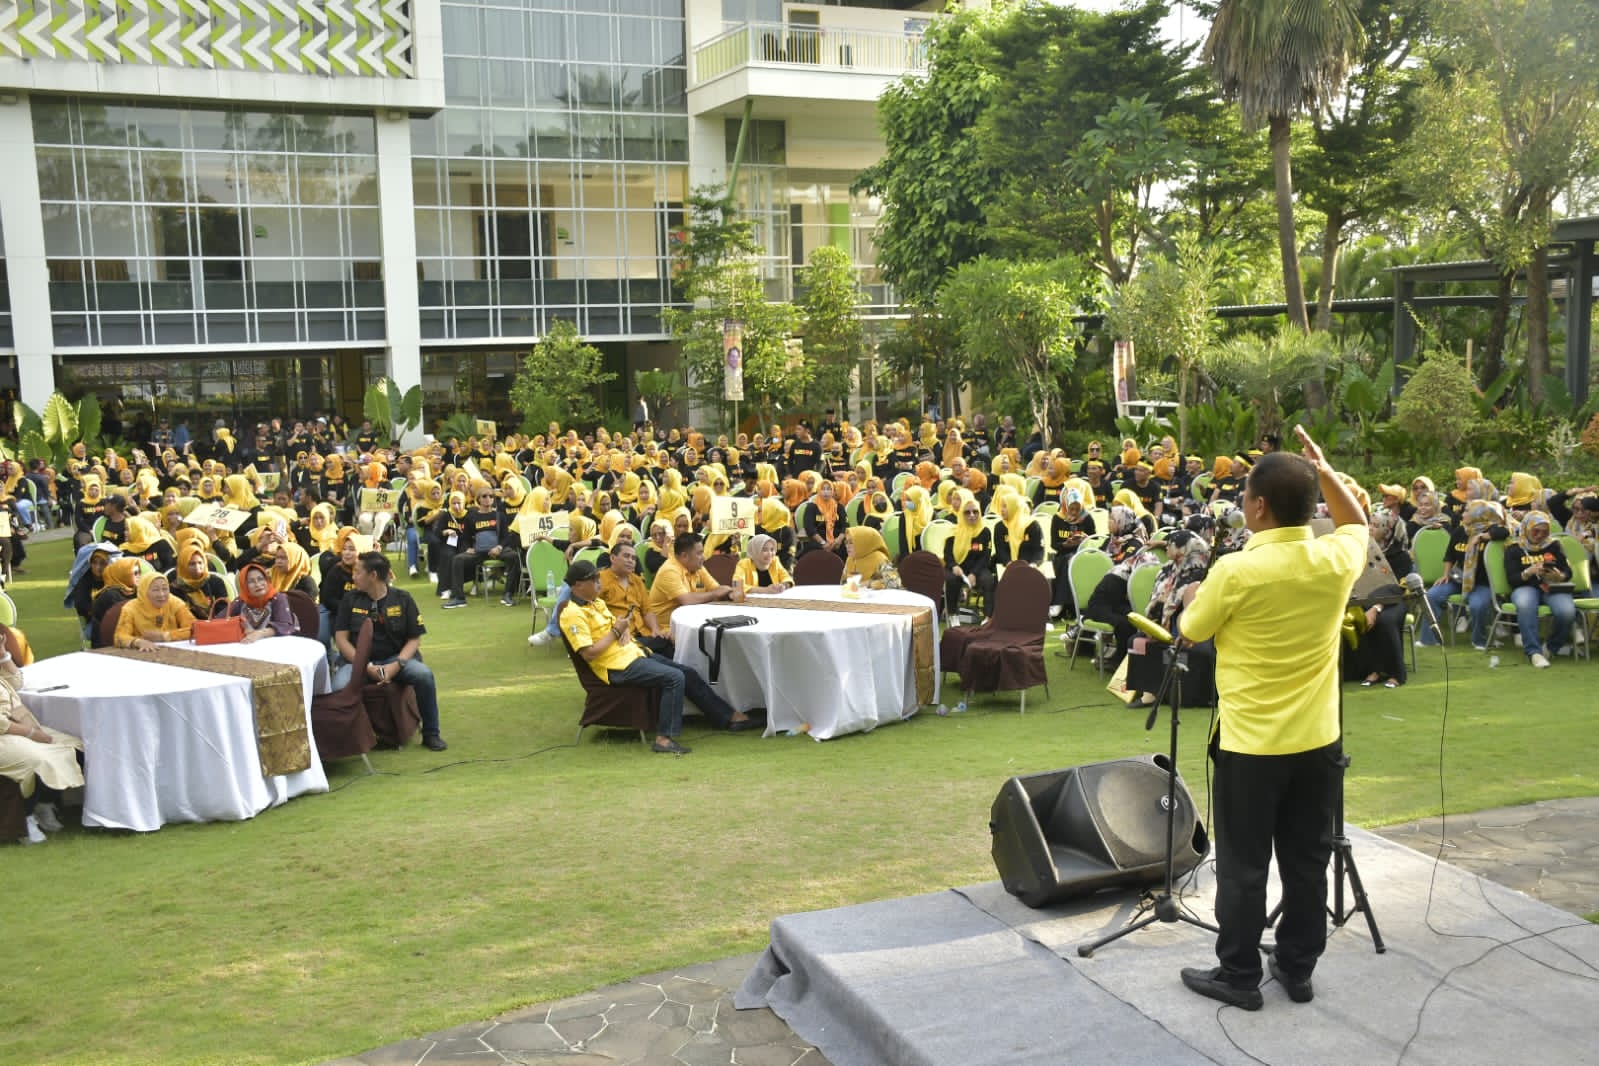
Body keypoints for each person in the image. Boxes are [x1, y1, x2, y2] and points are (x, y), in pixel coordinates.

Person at [1176, 427, 1368, 1011]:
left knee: (1243, 865)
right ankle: (1297, 967)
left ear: (1258, 507)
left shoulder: (1236, 570)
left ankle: (1238, 975)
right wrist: (1324, 470)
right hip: (1317, 743)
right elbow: (1357, 521)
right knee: (1307, 862)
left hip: (1251, 747)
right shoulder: (1335, 558)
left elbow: (1192, 630)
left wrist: (1189, 600)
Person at [559, 559, 758, 755]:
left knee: (686, 671)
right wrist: (616, 633)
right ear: (577, 585)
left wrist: (624, 629)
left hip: (633, 652)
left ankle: (727, 717)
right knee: (674, 677)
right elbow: (589, 653)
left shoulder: (596, 603)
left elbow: (615, 627)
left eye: (597, 577)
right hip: (616, 667)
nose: (598, 581)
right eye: (593, 579)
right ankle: (664, 739)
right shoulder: (572, 614)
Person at [332, 553, 448, 751]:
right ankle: (350, 740)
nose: (354, 577)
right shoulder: (350, 599)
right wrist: (365, 666)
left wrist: (397, 666)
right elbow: (341, 639)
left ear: (373, 575)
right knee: (338, 687)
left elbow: (414, 639)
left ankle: (431, 733)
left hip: (396, 660)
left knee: (424, 676)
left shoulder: (403, 599)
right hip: (357, 662)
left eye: (358, 572)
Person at [0, 630, 84, 843]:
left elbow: (17, 683)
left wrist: (3, 655)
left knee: (74, 746)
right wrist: (31, 734)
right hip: (5, 733)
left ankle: (44, 805)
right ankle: (24, 820)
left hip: (18, 724)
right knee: (38, 761)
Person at [1505, 510, 1576, 667]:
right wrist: (1528, 572)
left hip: (1551, 585)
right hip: (1525, 586)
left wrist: (1559, 576)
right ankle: (1534, 652)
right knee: (1525, 605)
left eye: (1545, 531)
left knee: (1566, 611)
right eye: (1535, 530)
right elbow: (1512, 579)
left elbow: (1568, 571)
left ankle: (1551, 647)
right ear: (1526, 528)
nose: (1539, 535)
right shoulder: (1514, 548)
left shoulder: (1554, 545)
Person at [645, 532, 745, 634]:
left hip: (691, 623)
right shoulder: (669, 570)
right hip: (667, 630)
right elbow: (687, 600)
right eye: (699, 553)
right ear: (684, 556)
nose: (704, 557)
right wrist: (714, 594)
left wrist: (729, 594)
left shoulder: (697, 566)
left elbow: (716, 589)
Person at [114, 572, 197, 650]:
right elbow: (119, 637)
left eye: (165, 589)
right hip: (142, 653)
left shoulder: (174, 602)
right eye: (155, 590)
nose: (162, 594)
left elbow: (196, 629)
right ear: (144, 591)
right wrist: (137, 642)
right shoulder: (130, 608)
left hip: (173, 651)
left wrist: (165, 636)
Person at [228, 563, 300, 641]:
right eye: (251, 581)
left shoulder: (278, 598)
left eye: (260, 579)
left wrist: (261, 633)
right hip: (246, 645)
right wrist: (241, 627)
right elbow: (221, 619)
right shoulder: (241, 601)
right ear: (244, 585)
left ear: (267, 580)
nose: (258, 584)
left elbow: (285, 625)